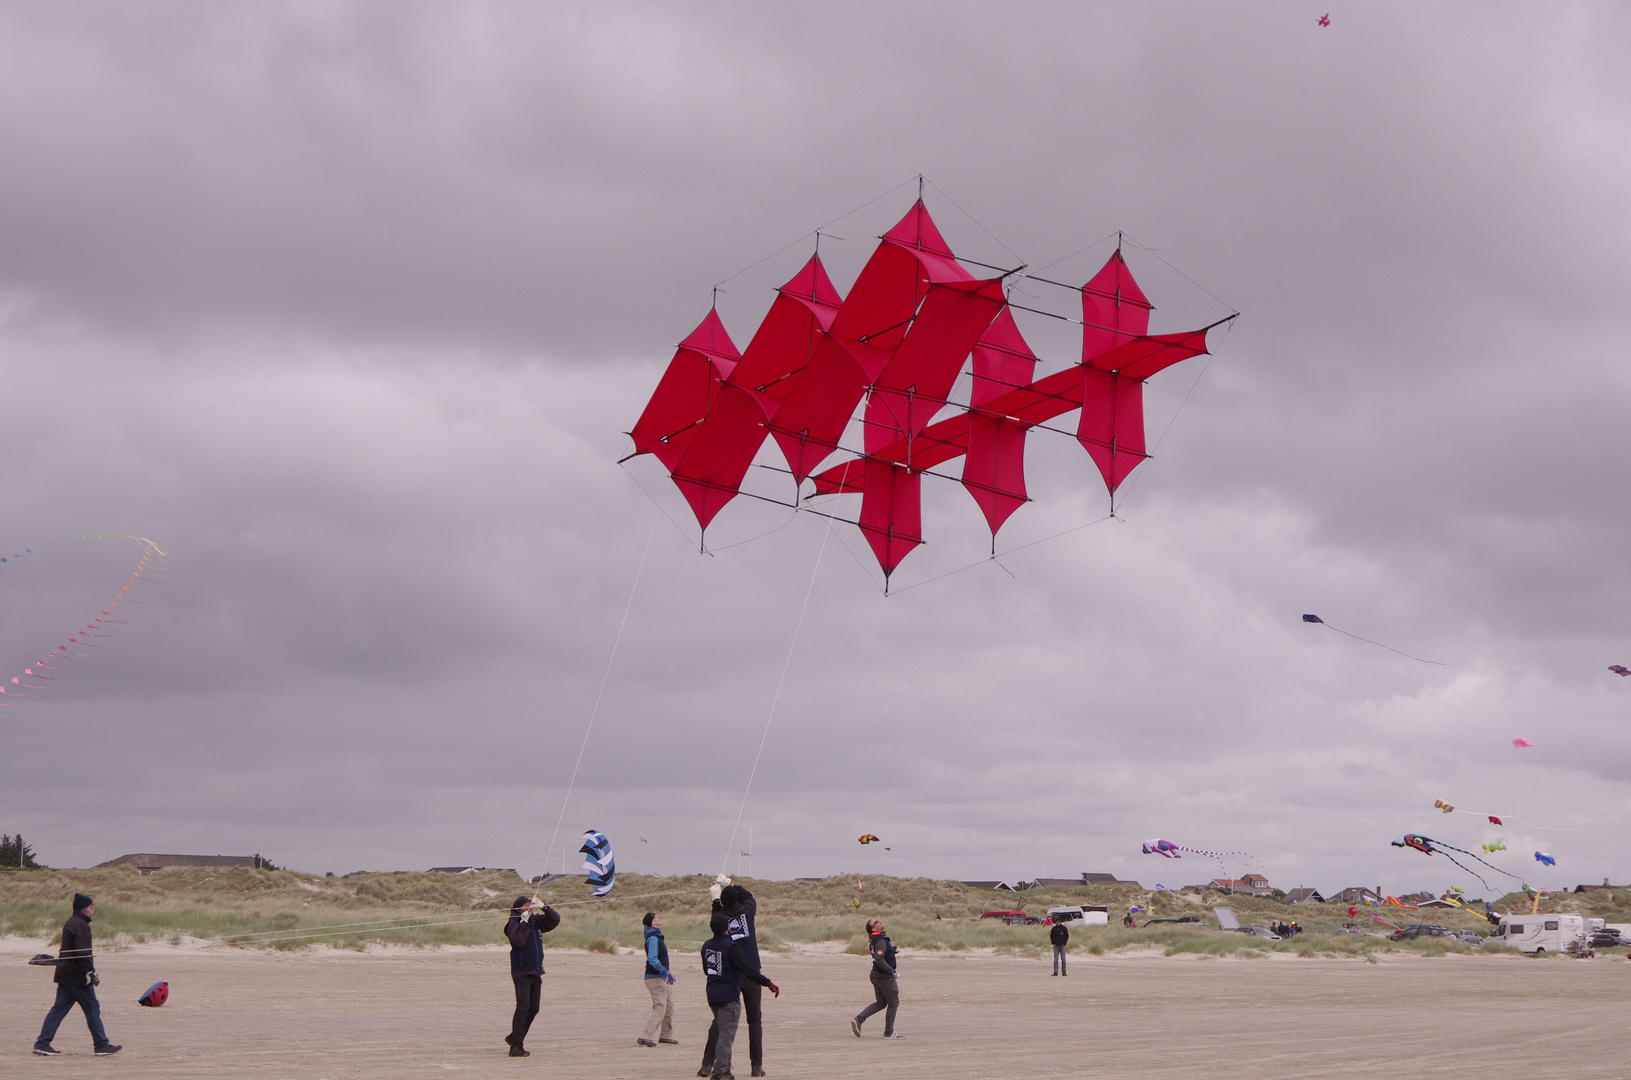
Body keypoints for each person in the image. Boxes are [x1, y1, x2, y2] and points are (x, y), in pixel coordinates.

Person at [34, 893, 120, 1057]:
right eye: (92, 905)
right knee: (92, 1008)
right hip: (76, 978)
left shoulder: (75, 922)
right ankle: (101, 1045)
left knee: (58, 1010)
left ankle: (42, 1043)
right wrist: (89, 973)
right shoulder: (80, 924)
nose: (94, 908)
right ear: (85, 908)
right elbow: (82, 953)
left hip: (66, 975)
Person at [700, 911, 778, 1080]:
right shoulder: (731, 947)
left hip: (712, 995)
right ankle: (720, 1071)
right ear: (728, 928)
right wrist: (768, 983)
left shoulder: (706, 945)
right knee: (726, 1036)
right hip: (728, 997)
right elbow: (749, 970)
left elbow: (707, 969)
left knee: (721, 1031)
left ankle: (724, 1069)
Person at [503, 895, 558, 1057]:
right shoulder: (512, 924)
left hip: (535, 971)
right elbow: (518, 942)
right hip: (521, 972)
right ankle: (516, 1047)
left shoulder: (536, 922)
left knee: (534, 1009)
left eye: (531, 906)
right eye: (527, 906)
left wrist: (544, 907)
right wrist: (524, 923)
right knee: (523, 1008)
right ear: (519, 909)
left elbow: (554, 920)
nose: (530, 909)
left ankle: (514, 1037)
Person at [850, 918, 901, 1039]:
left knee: (881, 1002)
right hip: (884, 977)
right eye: (876, 922)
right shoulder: (880, 940)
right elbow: (879, 959)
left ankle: (859, 1020)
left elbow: (880, 954)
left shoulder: (876, 940)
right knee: (893, 1003)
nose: (879, 922)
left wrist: (892, 950)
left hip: (876, 975)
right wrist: (892, 971)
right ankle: (889, 1032)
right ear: (874, 929)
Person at [638, 912, 678, 1047]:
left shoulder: (657, 936)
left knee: (669, 1005)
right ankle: (646, 1036)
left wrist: (666, 973)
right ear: (650, 922)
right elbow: (653, 960)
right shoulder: (653, 938)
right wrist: (665, 971)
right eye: (655, 917)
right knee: (660, 1006)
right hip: (654, 977)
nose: (658, 917)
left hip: (661, 977)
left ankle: (666, 1035)